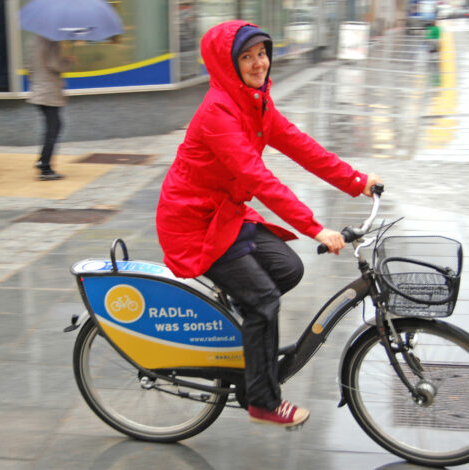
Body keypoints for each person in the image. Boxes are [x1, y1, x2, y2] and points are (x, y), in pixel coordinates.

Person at [156, 20, 383, 428]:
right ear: (228, 64)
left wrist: (355, 181)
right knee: (263, 300)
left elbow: (299, 144)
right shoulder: (217, 113)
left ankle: (251, 348)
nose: (258, 63)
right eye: (246, 56)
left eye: (262, 53)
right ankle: (261, 399)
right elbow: (258, 178)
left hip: (226, 212)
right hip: (194, 224)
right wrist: (315, 227)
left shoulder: (254, 101)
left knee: (288, 268)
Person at [27, 34, 73, 180]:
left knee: (52, 127)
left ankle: (43, 162)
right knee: (54, 127)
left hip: (38, 89)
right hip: (49, 91)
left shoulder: (32, 40)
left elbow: (29, 67)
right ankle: (45, 166)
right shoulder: (52, 41)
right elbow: (55, 65)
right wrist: (67, 61)